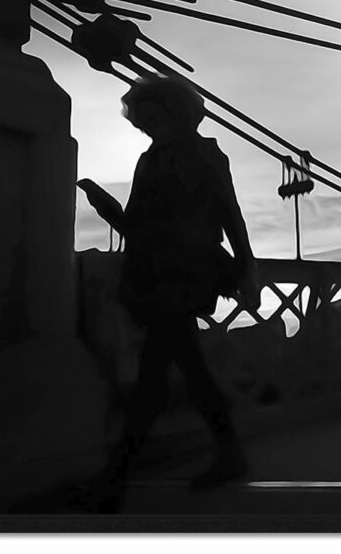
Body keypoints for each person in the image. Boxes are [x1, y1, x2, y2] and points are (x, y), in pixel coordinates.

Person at [79, 76, 260, 512]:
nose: (143, 128)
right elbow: (140, 230)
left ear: (173, 112)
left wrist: (247, 268)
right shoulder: (149, 160)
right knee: (185, 368)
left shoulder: (206, 155)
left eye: (149, 118)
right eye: (140, 122)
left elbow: (229, 215)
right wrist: (107, 208)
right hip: (156, 276)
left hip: (183, 277)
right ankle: (226, 452)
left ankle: (116, 479)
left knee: (154, 375)